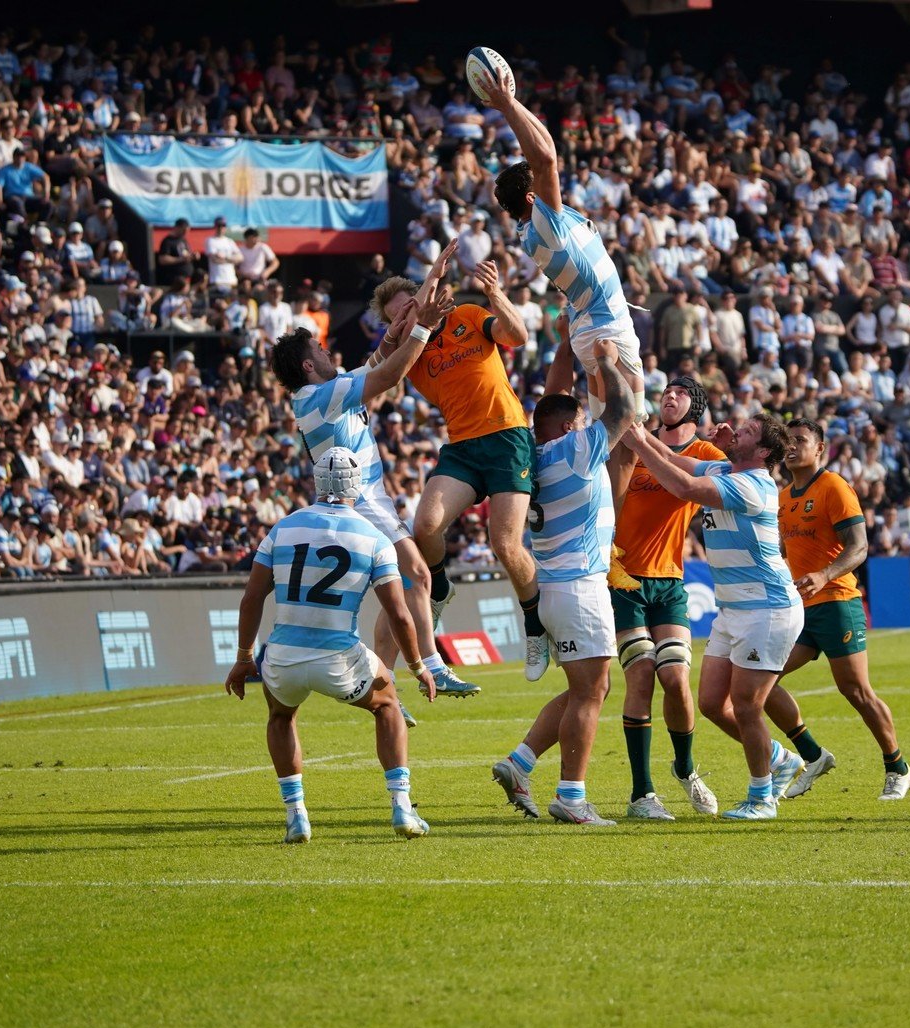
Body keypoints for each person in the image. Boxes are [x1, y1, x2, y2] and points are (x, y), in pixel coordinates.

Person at [275, 243, 475, 704]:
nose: (328, 353)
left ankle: (384, 684)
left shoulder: (330, 391)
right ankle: (435, 666)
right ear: (309, 365)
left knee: (398, 594)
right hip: (360, 502)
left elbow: (384, 349)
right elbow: (387, 374)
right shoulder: (318, 396)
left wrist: (430, 281)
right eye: (320, 349)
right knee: (420, 578)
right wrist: (422, 326)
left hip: (366, 502)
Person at [223, 447, 437, 843]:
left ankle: (296, 815)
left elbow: (252, 597)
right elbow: (400, 615)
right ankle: (402, 807)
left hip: (283, 656)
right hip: (339, 658)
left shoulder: (283, 527)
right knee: (388, 703)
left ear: (316, 482)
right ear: (359, 485)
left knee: (281, 717)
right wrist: (419, 667)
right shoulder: (374, 538)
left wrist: (242, 658)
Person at [480, 67, 645, 526]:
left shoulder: (536, 224)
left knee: (612, 438)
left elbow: (545, 156)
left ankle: (602, 526)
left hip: (592, 324)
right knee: (629, 438)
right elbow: (547, 156)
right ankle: (612, 538)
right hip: (607, 327)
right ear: (532, 198)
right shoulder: (544, 225)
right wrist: (508, 105)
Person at [624, 412, 807, 821]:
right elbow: (681, 463)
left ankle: (761, 799)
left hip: (767, 608)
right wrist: (644, 438)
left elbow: (684, 486)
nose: (735, 429)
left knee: (745, 705)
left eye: (747, 431)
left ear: (761, 451)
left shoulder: (753, 484)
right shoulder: (726, 467)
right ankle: (781, 759)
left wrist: (637, 444)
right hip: (734, 609)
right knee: (710, 702)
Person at [372, 255, 542, 680]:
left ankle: (536, 627)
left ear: (424, 295)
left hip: (507, 436)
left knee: (504, 543)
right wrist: (394, 336)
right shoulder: (409, 352)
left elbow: (517, 336)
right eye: (396, 316)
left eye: (409, 304)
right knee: (424, 526)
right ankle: (440, 586)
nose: (407, 315)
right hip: (462, 447)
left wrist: (494, 293)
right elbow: (374, 376)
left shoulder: (466, 315)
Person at [489, 339, 635, 826]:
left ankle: (521, 761)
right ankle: (572, 795)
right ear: (570, 425)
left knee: (584, 688)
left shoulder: (532, 455)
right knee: (593, 692)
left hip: (549, 586)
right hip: (579, 584)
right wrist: (610, 364)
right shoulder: (577, 448)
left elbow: (555, 400)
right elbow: (625, 410)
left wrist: (564, 348)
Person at [602, 375, 724, 820]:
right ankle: (641, 795)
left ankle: (686, 769)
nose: (669, 396)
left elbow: (736, 479)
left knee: (674, 678)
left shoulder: (707, 455)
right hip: (625, 578)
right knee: (642, 675)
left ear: (695, 407)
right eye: (666, 391)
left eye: (680, 393)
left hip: (670, 581)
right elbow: (612, 495)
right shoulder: (634, 443)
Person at [773, 419, 910, 800]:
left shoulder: (834, 487)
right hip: (801, 608)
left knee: (855, 690)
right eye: (787, 440)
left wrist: (824, 574)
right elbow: (788, 554)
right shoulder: (784, 497)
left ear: (821, 449)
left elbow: (859, 547)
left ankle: (897, 767)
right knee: (761, 681)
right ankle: (813, 756)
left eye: (800, 440)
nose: (792, 446)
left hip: (837, 602)